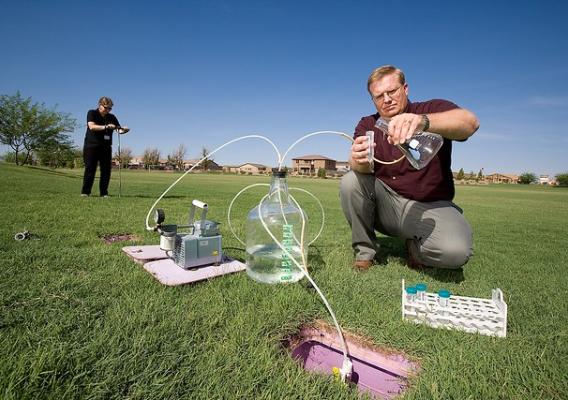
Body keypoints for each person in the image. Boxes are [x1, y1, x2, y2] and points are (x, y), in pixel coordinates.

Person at [340, 65, 479, 271]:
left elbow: (470, 123)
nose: (386, 99)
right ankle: (366, 252)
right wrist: (356, 160)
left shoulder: (430, 109)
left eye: (392, 91)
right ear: (373, 100)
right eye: (379, 96)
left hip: (430, 206)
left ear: (405, 89)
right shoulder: (368, 124)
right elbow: (363, 168)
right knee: (350, 180)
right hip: (386, 205)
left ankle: (416, 246)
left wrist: (423, 122)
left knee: (455, 253)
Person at [81, 97, 130, 197]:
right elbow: (92, 126)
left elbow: (118, 130)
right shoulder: (92, 113)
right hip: (91, 146)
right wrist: (106, 127)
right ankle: (85, 192)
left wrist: (124, 130)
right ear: (100, 105)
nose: (108, 110)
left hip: (106, 147)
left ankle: (104, 193)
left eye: (110, 108)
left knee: (106, 170)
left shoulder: (112, 117)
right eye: (106, 108)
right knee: (90, 169)